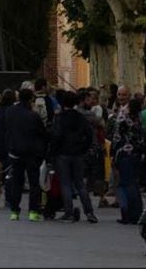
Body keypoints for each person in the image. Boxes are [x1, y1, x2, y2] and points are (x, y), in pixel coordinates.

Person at [49, 89, 98, 223]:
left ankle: (68, 211)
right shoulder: (80, 117)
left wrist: (52, 152)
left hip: (63, 153)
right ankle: (89, 212)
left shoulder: (59, 118)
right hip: (78, 153)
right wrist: (84, 148)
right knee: (80, 183)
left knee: (65, 183)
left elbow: (56, 136)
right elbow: (89, 135)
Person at [4, 87, 47, 222]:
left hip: (15, 151)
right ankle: (33, 211)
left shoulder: (10, 112)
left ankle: (14, 211)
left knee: (17, 181)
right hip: (32, 153)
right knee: (34, 182)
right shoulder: (33, 116)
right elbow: (42, 133)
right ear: (30, 100)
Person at [108, 98, 146, 224]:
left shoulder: (123, 119)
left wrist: (113, 154)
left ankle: (127, 213)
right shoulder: (138, 120)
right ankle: (136, 212)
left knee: (124, 184)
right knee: (133, 184)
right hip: (136, 154)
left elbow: (116, 137)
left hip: (124, 153)